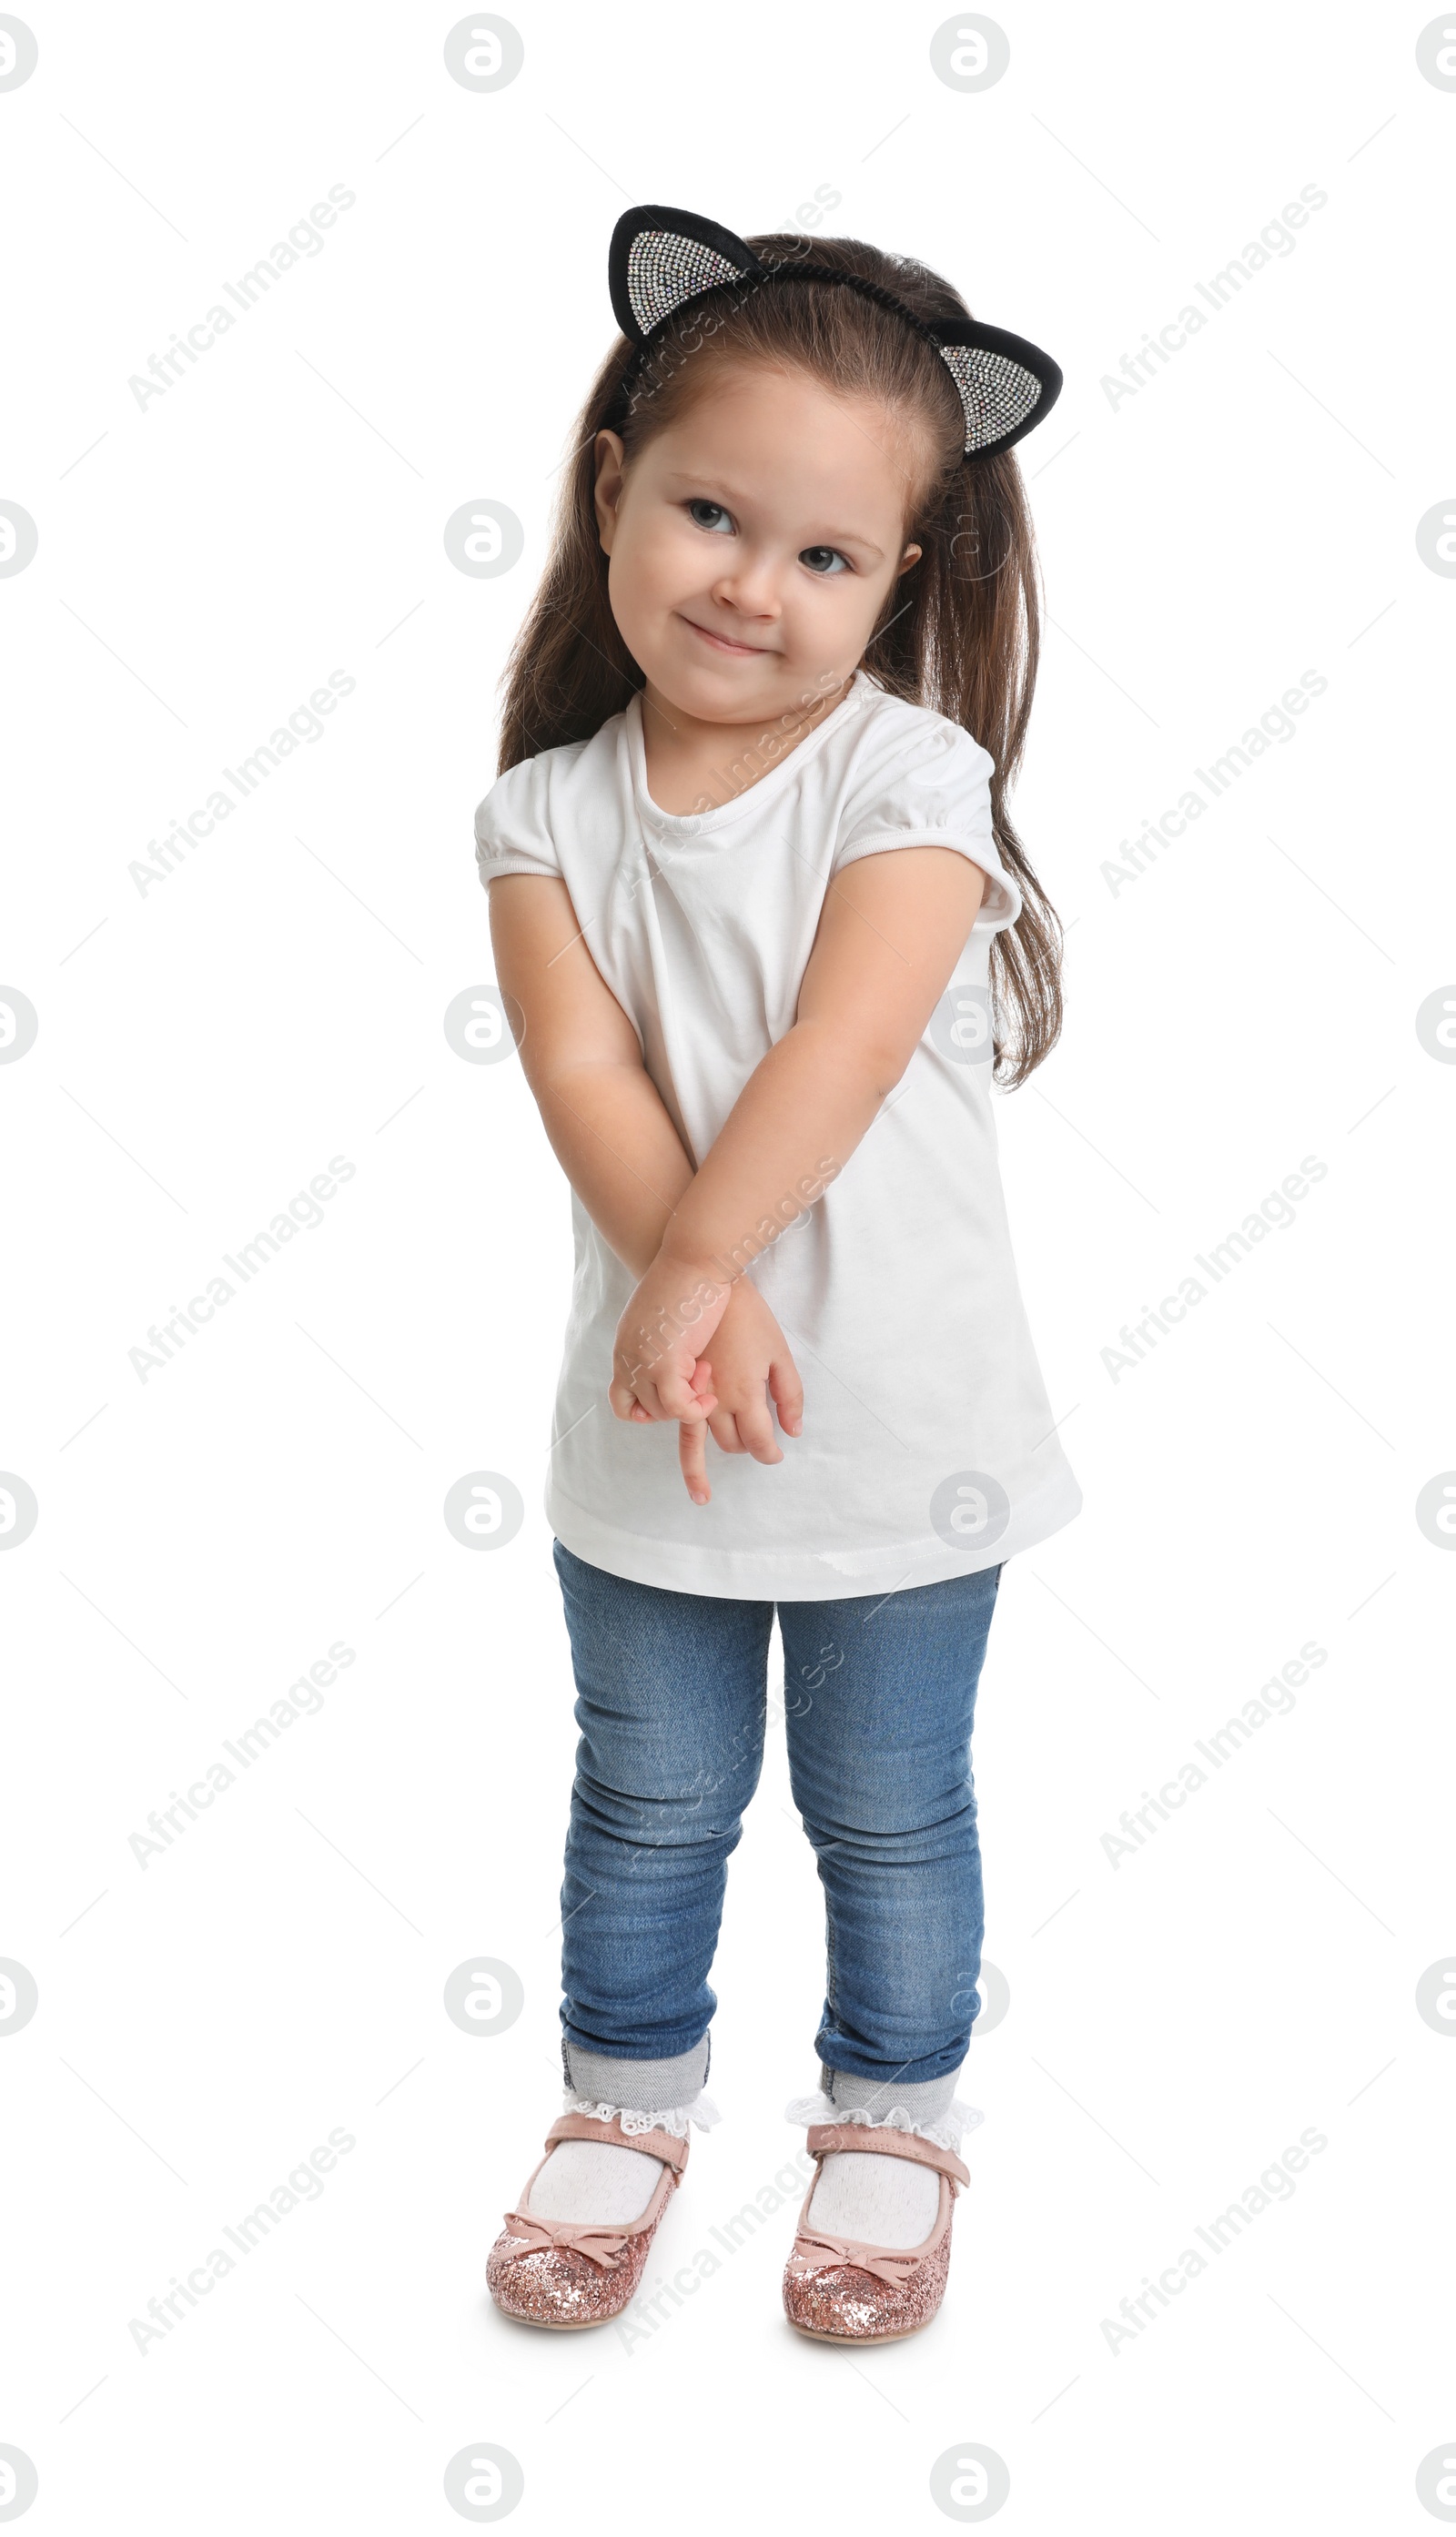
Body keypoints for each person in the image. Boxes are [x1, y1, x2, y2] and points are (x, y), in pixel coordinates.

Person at [474, 205, 1081, 2343]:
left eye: (823, 555)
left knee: (884, 1802)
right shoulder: (545, 812)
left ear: (900, 577)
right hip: (657, 1416)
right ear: (614, 482)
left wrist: (708, 1263)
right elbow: (579, 1057)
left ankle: (890, 2113)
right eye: (711, 514)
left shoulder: (911, 778)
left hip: (896, 1429)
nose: (752, 582)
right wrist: (682, 1292)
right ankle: (623, 2095)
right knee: (643, 1785)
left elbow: (834, 1046)